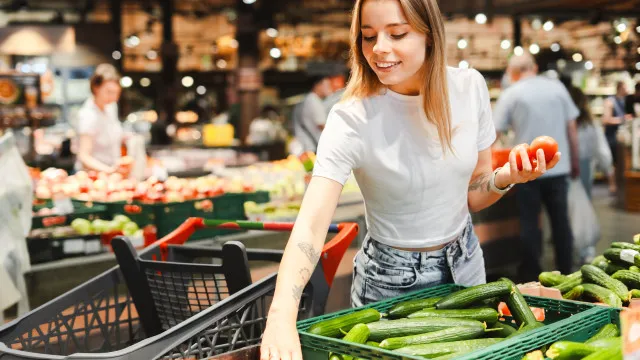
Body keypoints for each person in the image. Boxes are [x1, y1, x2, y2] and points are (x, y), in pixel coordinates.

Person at [259, 1, 561, 359]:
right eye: (368, 36)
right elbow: (310, 227)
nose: (379, 49)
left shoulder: (469, 88)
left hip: (465, 265)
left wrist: (507, 176)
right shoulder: (351, 119)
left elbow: (474, 194)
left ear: (429, 35)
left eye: (397, 33)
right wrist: (280, 317)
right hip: (390, 284)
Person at [493, 54, 579, 283]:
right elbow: (572, 128)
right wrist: (575, 161)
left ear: (512, 72)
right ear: (535, 67)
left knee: (530, 223)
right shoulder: (557, 88)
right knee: (561, 222)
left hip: (526, 171)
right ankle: (568, 272)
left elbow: (494, 132)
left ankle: (532, 274)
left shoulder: (511, 93)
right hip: (558, 169)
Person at [75, 64, 129, 174]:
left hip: (112, 172)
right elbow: (84, 156)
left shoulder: (111, 107)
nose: (114, 97)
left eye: (116, 93)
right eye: (109, 92)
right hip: (93, 175)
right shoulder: (88, 115)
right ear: (96, 88)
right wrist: (109, 170)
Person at [292, 75, 333, 153]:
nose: (330, 88)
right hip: (311, 149)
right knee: (311, 165)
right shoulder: (314, 101)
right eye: (327, 85)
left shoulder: (307, 99)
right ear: (318, 86)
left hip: (305, 147)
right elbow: (322, 125)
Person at [602, 81, 629, 193]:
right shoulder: (610, 102)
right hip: (611, 136)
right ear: (619, 88)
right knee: (612, 162)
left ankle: (619, 185)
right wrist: (623, 119)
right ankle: (612, 185)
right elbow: (605, 120)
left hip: (620, 136)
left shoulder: (624, 101)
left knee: (619, 162)